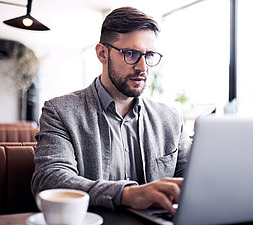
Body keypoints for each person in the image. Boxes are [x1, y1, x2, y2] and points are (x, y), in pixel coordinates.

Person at [31, 7, 191, 214]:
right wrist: (129, 195)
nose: (143, 67)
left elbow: (194, 179)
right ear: (102, 53)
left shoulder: (170, 119)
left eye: (149, 55)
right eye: (131, 54)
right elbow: (49, 179)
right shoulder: (60, 111)